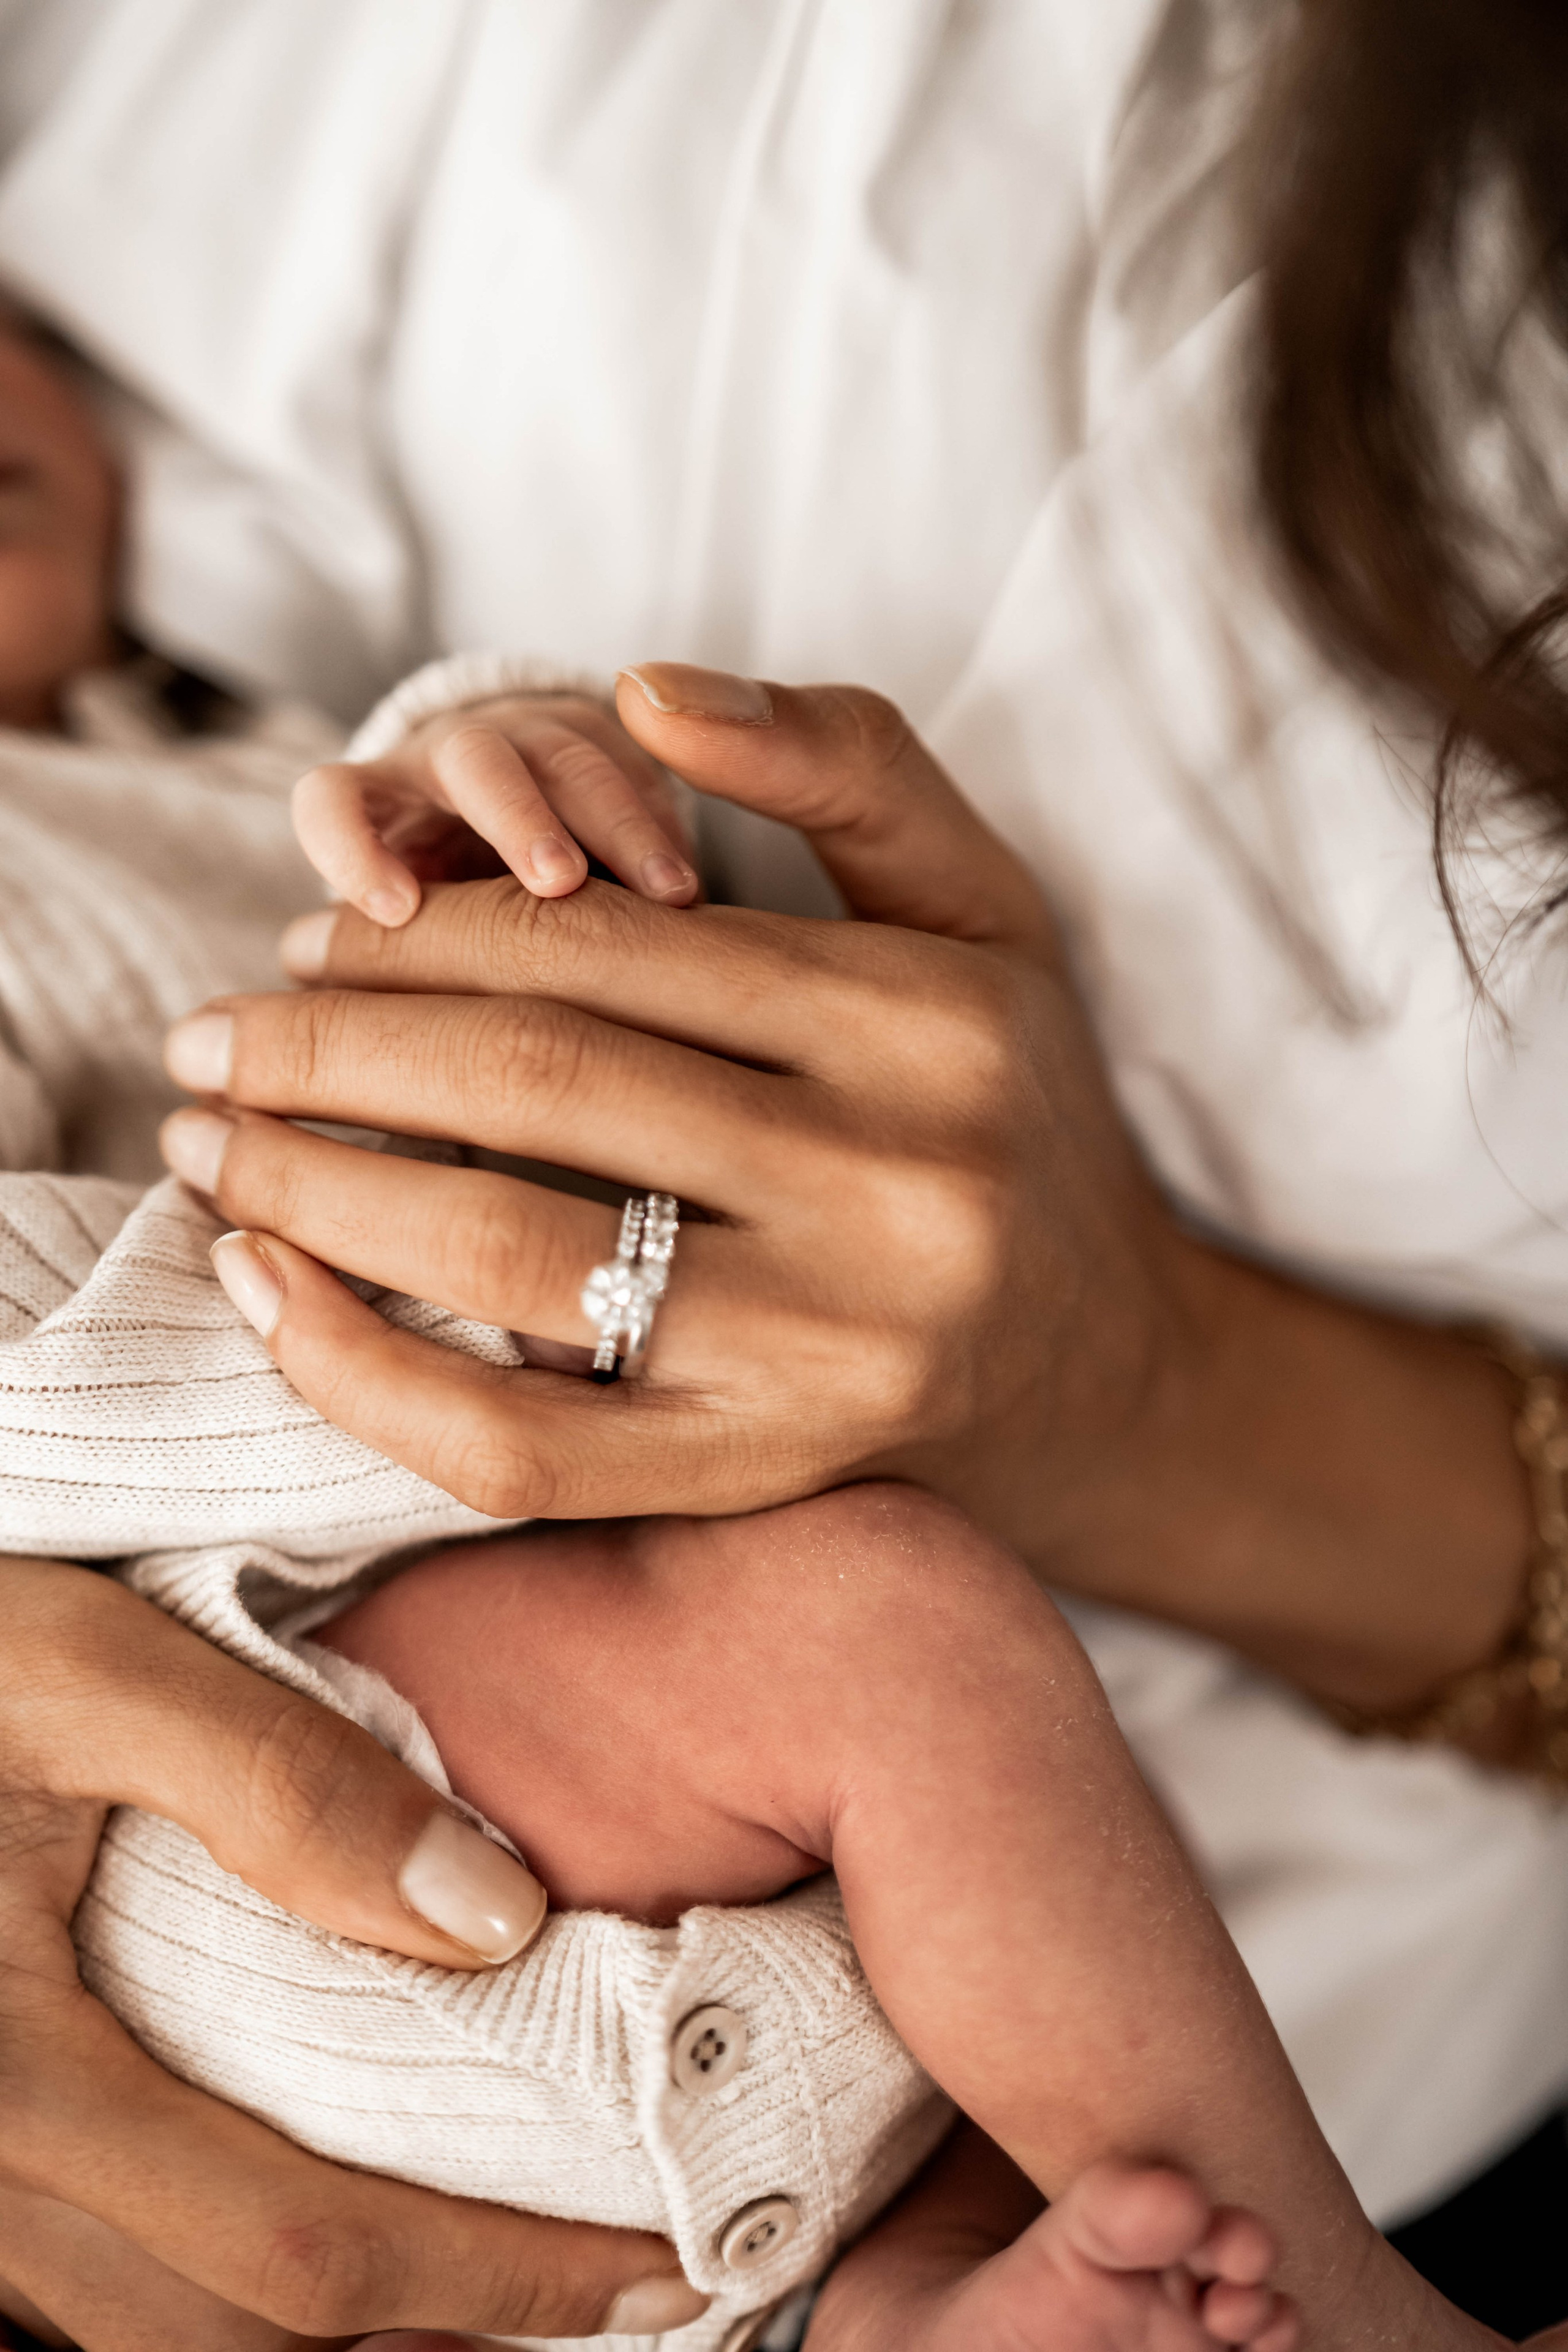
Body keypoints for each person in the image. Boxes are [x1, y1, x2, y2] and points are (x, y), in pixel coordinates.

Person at [5, 1, 1568, 2344]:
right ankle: (1336, 2298)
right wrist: (403, 1330)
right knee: (889, 1643)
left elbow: (345, 812)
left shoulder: (144, 747)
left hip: (469, 1774)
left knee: (885, 1741)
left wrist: (490, 771)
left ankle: (930, 2312)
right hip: (234, 1746)